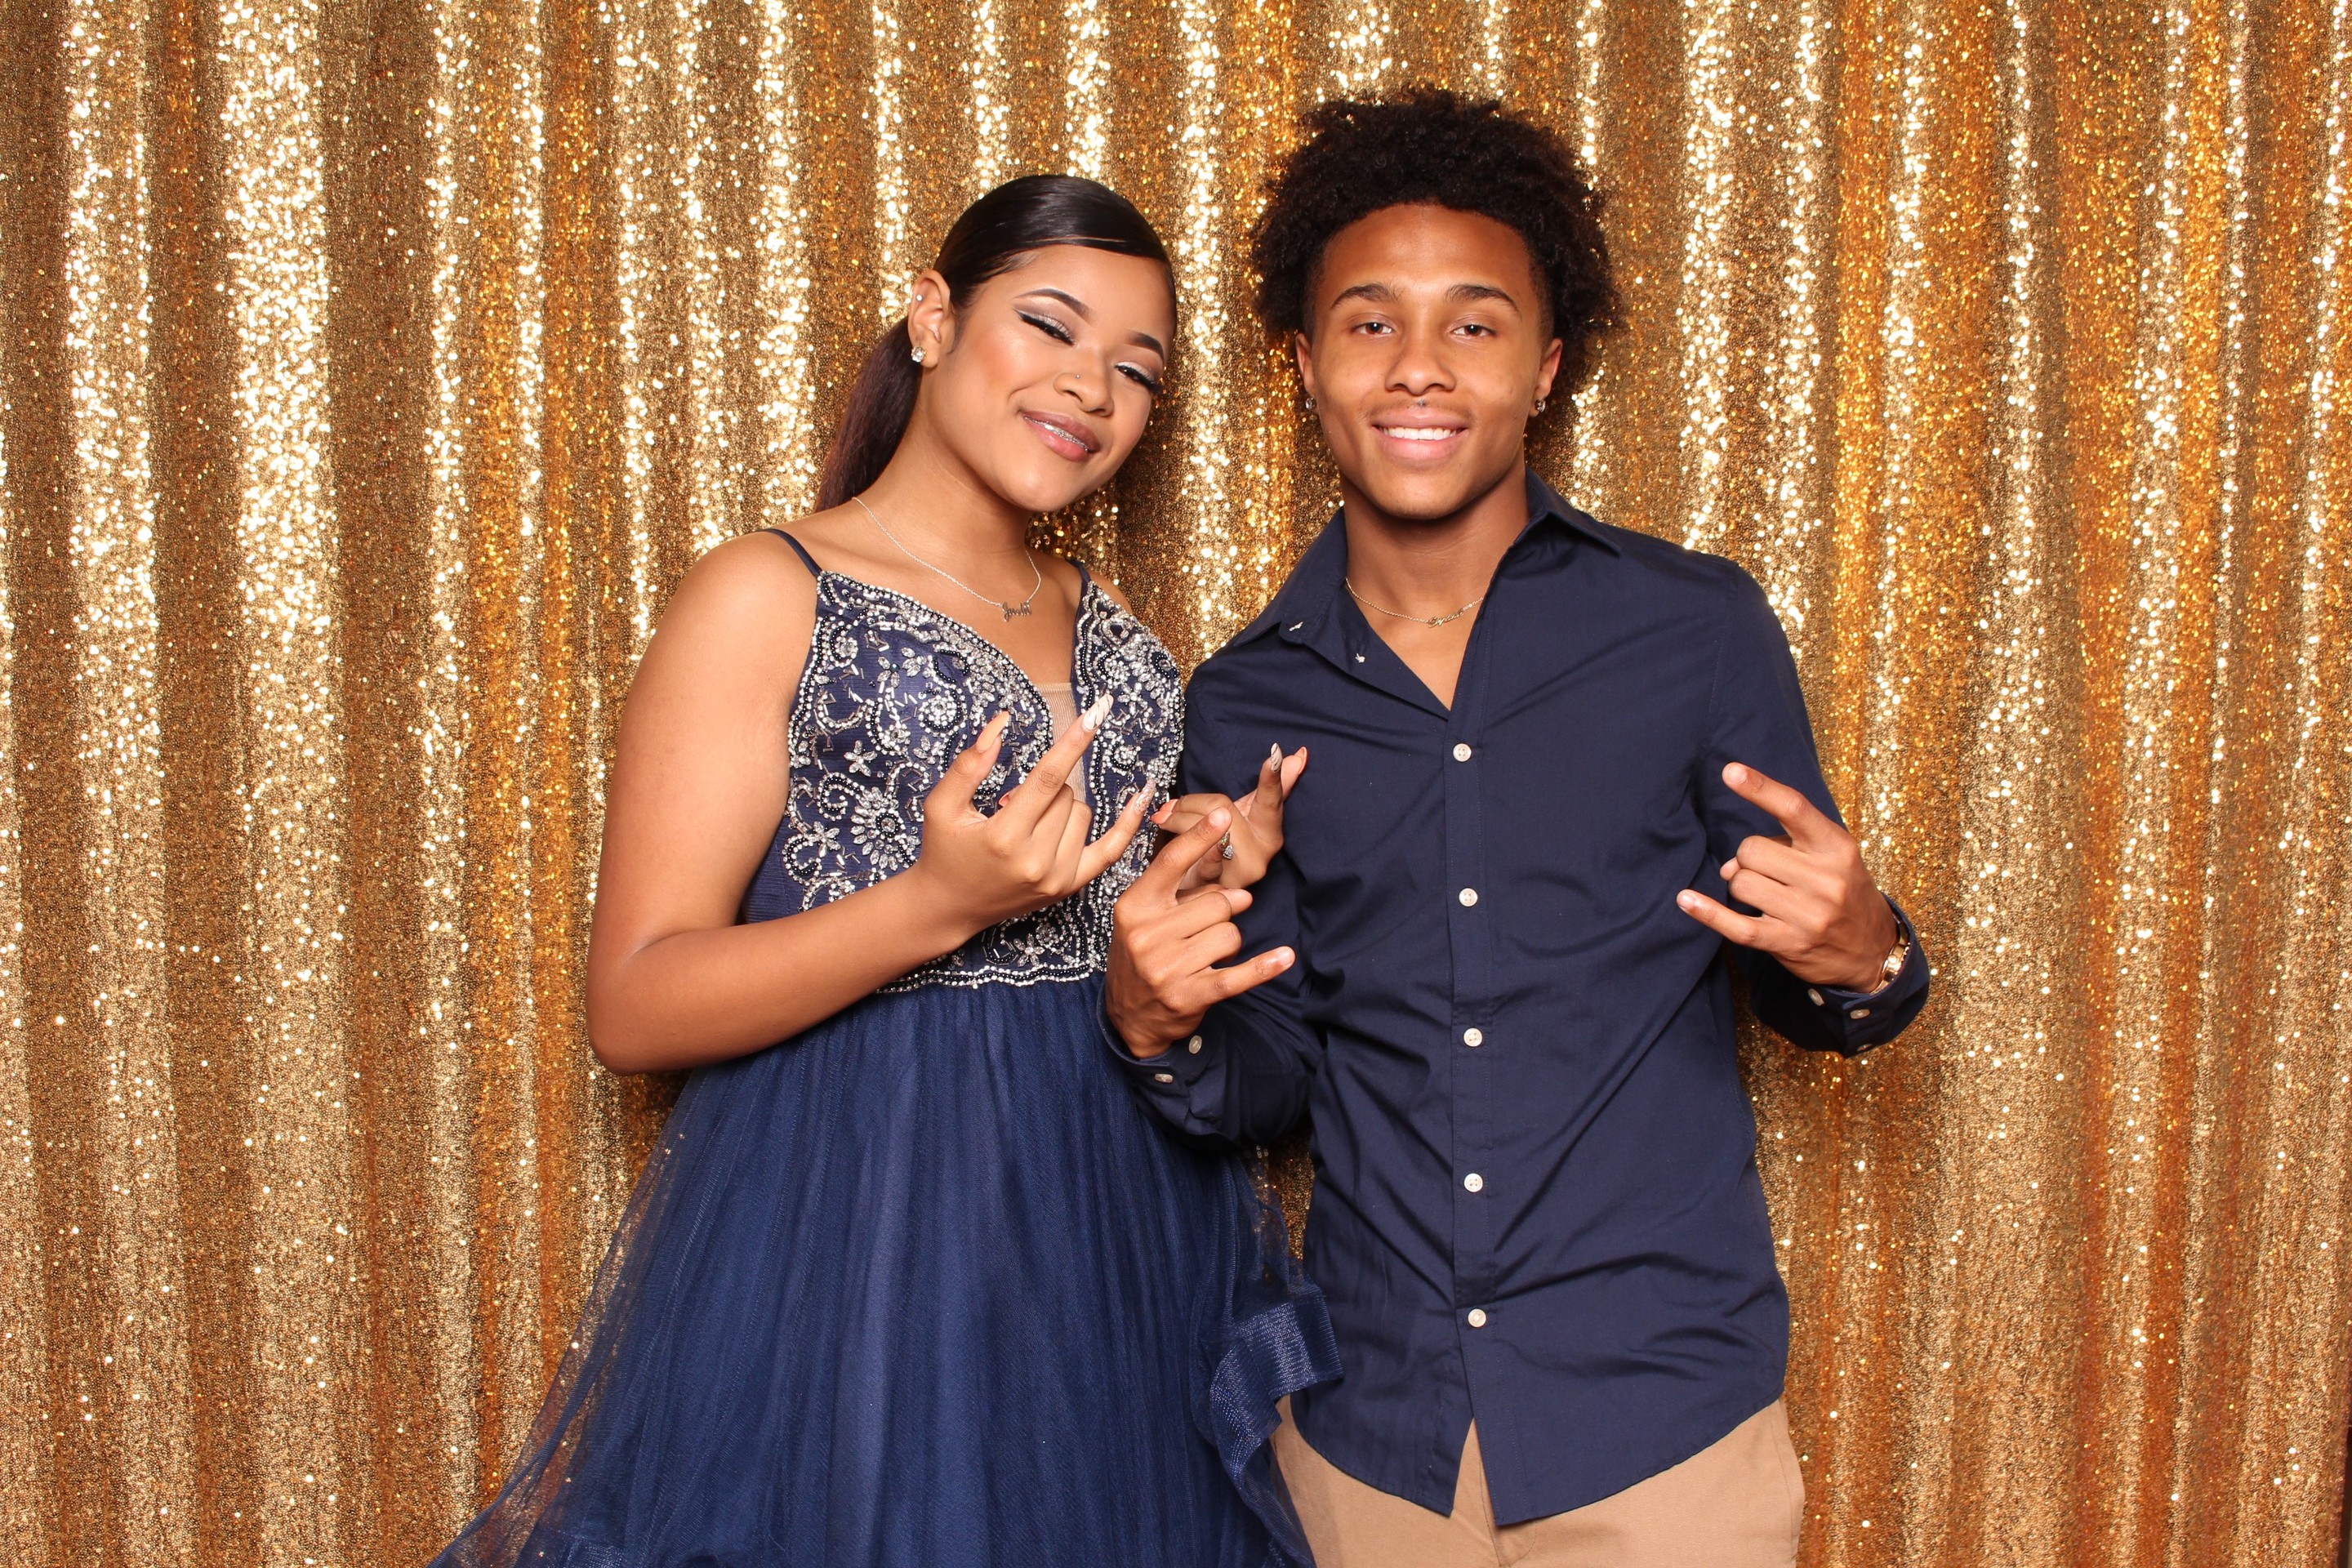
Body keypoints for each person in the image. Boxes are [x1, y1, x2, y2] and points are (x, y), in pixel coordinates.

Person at [432, 175, 1337, 1568]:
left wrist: (1215, 878)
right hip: (869, 1226)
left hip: (1111, 1229)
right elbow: (636, 1004)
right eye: (1050, 326)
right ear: (932, 316)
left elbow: (1134, 964)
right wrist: (936, 904)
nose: (1090, 387)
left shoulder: (1132, 644)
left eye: (1138, 370)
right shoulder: (764, 593)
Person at [1104, 93, 1931, 1568]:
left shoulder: (1694, 630)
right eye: (1370, 322)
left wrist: (1866, 953)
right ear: (1303, 364)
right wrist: (1157, 1022)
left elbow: (1811, 978)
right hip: (1375, 1440)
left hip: (1661, 1426)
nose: (1419, 364)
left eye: (1474, 325)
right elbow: (1273, 1077)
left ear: (1545, 368)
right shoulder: (1244, 700)